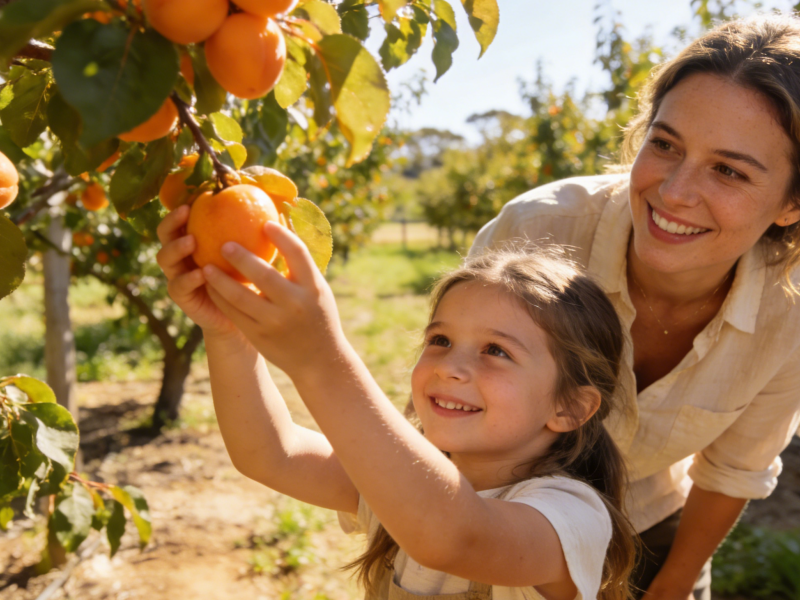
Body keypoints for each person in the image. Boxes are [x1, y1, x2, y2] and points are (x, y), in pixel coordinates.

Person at [469, 13, 800, 600]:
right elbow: (451, 408)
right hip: (496, 513)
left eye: (728, 170)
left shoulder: (790, 315)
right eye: (665, 144)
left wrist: (672, 586)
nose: (673, 192)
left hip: (648, 518)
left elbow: (733, 470)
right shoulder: (539, 230)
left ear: (791, 204)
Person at [155, 208, 638, 599]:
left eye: (497, 351)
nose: (451, 366)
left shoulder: (571, 516)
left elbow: (454, 536)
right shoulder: (397, 479)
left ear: (571, 409)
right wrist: (227, 333)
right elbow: (270, 453)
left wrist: (322, 361)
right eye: (441, 340)